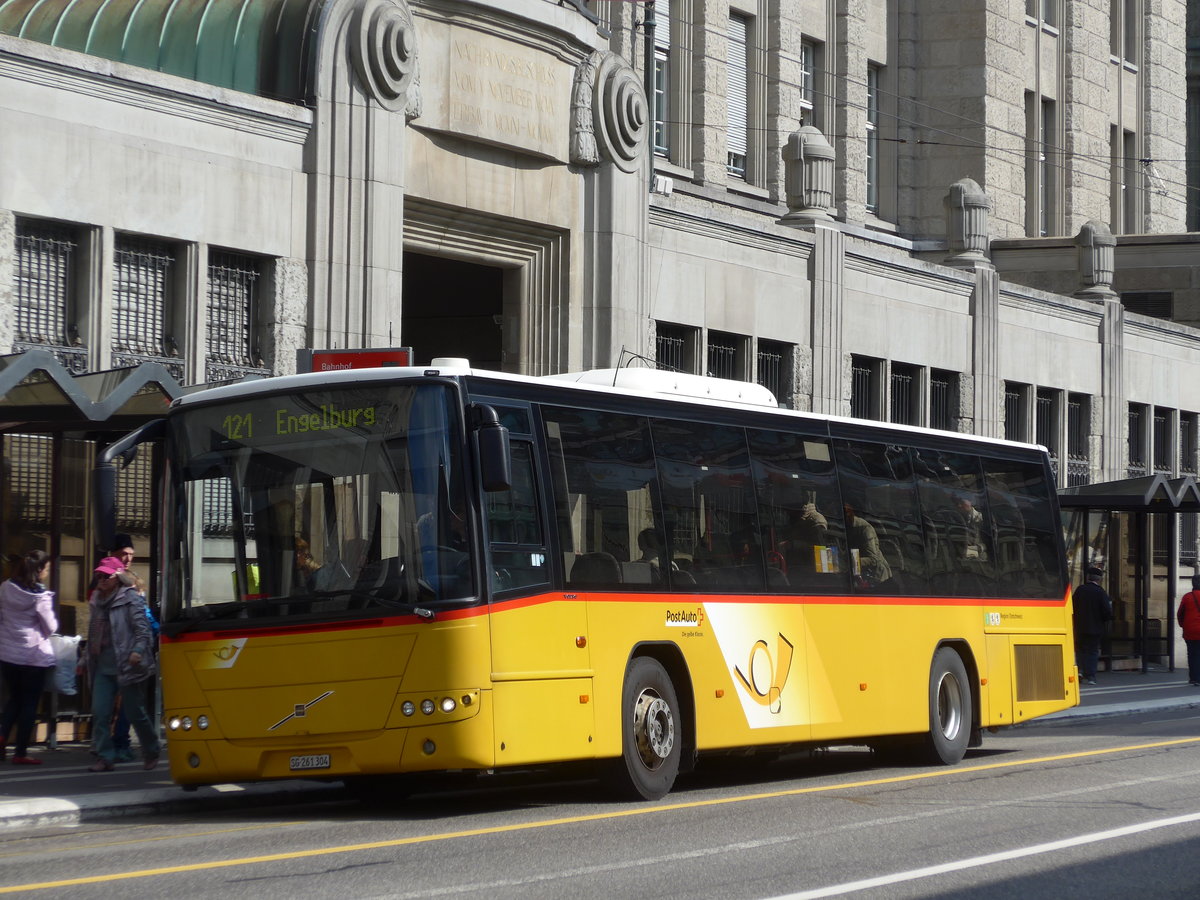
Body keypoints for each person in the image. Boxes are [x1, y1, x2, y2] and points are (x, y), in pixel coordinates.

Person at [86, 557, 160, 771]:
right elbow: (93, 633)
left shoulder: (130, 598)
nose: (101, 579)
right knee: (100, 712)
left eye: (106, 576)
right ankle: (105, 757)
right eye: (99, 575)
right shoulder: (96, 599)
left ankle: (151, 749)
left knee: (135, 712)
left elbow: (143, 630)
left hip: (127, 664)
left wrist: (138, 651)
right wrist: (84, 658)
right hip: (103, 664)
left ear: (118, 577)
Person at [0, 550, 57, 765]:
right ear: (39, 570)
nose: (47, 573)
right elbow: (50, 627)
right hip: (33, 657)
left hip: (7, 655)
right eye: (47, 569)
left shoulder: (5, 587)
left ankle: (2, 737)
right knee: (29, 703)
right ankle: (20, 752)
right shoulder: (40, 597)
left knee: (14, 698)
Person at [1072, 565, 1113, 686]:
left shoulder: (1080, 590)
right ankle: (1091, 676)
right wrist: (1104, 620)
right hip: (1095, 628)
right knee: (1093, 651)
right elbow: (1107, 611)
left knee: (1080, 650)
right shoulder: (1101, 592)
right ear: (1099, 579)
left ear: (1088, 577)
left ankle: (1080, 671)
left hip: (1080, 627)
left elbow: (1072, 606)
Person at [844, 504, 892, 588]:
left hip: (877, 577)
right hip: (858, 575)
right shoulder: (845, 527)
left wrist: (851, 562)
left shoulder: (865, 528)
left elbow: (873, 560)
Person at [1177, 575, 1200, 686]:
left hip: (1190, 630)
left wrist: (1183, 625)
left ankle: (1194, 678)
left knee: (1192, 654)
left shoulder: (1187, 597)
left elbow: (1180, 613)